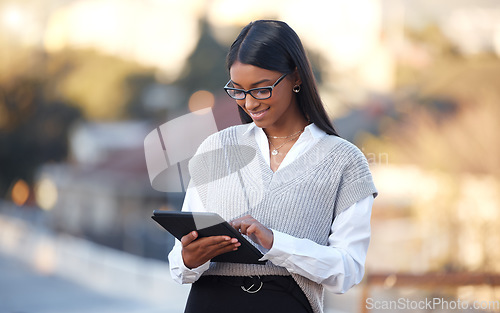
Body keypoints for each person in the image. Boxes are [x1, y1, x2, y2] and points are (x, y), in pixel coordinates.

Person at [168, 20, 378, 313]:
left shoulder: (344, 161)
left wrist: (275, 242)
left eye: (261, 89)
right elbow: (178, 265)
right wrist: (190, 258)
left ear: (296, 78)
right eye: (238, 90)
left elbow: (348, 272)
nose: (249, 103)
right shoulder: (216, 149)